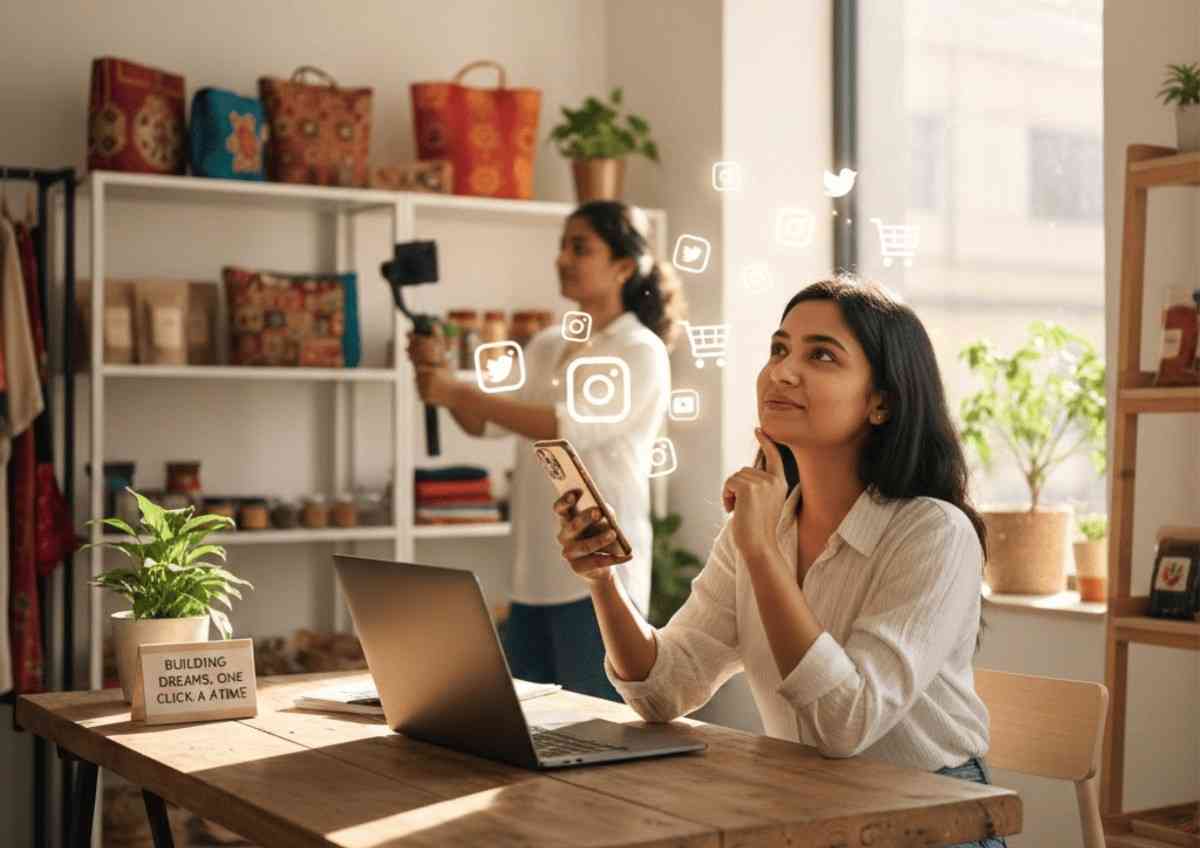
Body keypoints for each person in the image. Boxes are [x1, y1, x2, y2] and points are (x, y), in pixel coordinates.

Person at [551, 277, 1005, 848]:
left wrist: (762, 552)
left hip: (931, 819)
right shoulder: (765, 525)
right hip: (806, 807)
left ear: (881, 402)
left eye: (821, 355)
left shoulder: (935, 533)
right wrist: (603, 580)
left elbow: (847, 724)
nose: (783, 371)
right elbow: (666, 688)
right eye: (778, 349)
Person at [407, 200, 685, 702]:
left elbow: (563, 427)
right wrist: (439, 375)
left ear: (624, 265)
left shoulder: (639, 351)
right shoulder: (547, 345)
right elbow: (482, 423)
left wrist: (456, 391)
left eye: (580, 247)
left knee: (596, 735)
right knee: (530, 732)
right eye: (562, 246)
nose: (563, 258)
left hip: (602, 578)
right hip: (531, 573)